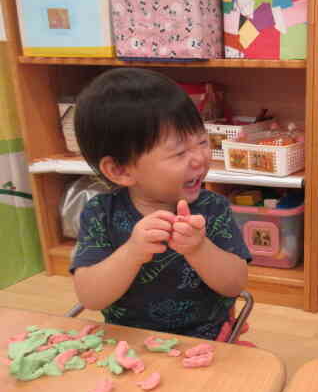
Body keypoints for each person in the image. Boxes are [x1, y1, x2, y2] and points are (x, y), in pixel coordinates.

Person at [70, 68, 250, 339]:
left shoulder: (212, 208)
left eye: (202, 141)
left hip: (209, 340)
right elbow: (91, 297)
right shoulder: (100, 214)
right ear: (121, 170)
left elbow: (235, 284)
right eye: (178, 152)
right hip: (128, 342)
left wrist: (199, 248)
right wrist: (132, 252)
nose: (200, 159)